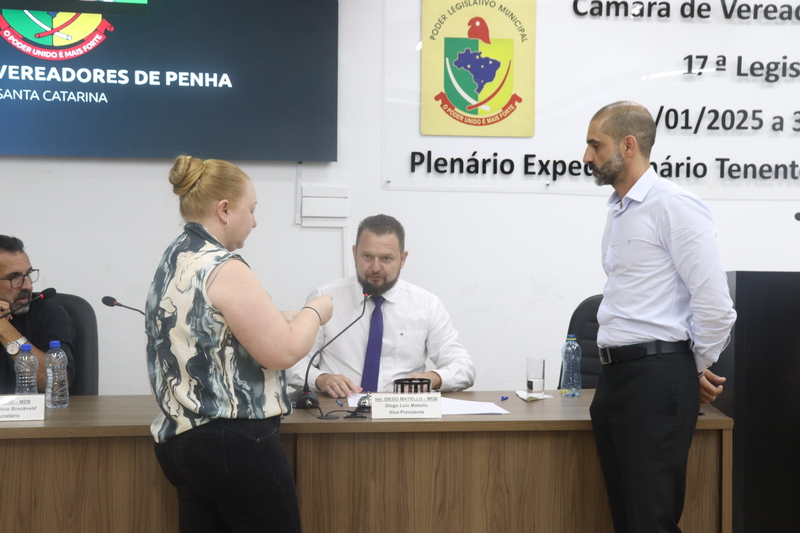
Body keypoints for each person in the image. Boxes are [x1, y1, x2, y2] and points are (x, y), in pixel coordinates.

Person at [145, 155, 333, 532]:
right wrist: (315, 311)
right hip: (233, 443)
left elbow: (213, 327)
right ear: (225, 210)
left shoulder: (177, 257)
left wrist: (283, 317)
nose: (255, 221)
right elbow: (282, 351)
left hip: (183, 441)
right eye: (252, 210)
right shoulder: (224, 267)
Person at [583, 101, 737, 533]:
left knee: (651, 521)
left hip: (654, 380)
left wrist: (690, 367)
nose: (587, 156)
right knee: (627, 519)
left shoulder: (673, 205)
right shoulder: (619, 210)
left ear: (628, 145)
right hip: (615, 380)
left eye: (596, 145)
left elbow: (716, 306)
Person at [288, 214, 475, 397]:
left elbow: (464, 367)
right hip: (339, 408)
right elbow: (292, 363)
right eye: (367, 256)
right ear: (354, 254)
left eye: (386, 258)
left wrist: (432, 379)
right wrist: (321, 379)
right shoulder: (324, 299)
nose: (376, 267)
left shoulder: (427, 304)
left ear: (403, 259)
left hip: (402, 410)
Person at [0, 236, 75, 393]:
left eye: (28, 273)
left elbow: (57, 383)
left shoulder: (49, 313)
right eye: (14, 277)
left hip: (34, 408)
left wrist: (4, 328)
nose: (28, 285)